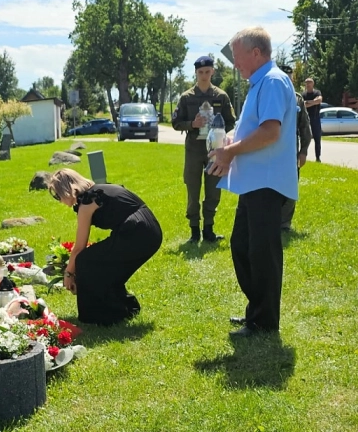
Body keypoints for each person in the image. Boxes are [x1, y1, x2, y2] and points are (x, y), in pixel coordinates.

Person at [207, 27, 298, 336]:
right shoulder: (260, 83)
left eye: (237, 56)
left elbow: (271, 131)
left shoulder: (272, 82)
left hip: (267, 182)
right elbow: (253, 128)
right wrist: (230, 141)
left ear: (256, 53)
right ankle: (257, 312)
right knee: (244, 247)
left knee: (262, 253)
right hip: (255, 182)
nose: (235, 63)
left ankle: (264, 321)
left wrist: (231, 151)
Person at [48, 168, 162, 325]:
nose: (59, 200)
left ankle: (101, 315)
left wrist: (69, 274)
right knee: (107, 268)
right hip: (150, 231)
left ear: (66, 190)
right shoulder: (99, 190)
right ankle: (123, 307)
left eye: (57, 195)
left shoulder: (87, 203)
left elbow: (79, 247)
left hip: (137, 233)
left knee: (85, 261)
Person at [172, 55, 236, 242]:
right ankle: (194, 230)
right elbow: (176, 122)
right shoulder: (186, 98)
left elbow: (232, 122)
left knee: (213, 189)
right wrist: (192, 123)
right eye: (200, 72)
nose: (204, 76)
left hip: (214, 150)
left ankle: (209, 229)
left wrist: (223, 134)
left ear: (213, 72)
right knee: (193, 188)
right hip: (193, 148)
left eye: (207, 72)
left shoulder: (221, 96)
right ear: (196, 73)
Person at [280, 64, 312, 231]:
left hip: (291, 152)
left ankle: (285, 223)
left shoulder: (298, 99)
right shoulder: (271, 96)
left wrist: (303, 151)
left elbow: (305, 128)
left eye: (289, 78)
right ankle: (271, 220)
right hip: (272, 152)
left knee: (291, 187)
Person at [302, 78, 323, 162]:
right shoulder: (303, 95)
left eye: (309, 83)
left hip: (315, 119)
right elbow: (303, 105)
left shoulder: (317, 92)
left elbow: (319, 100)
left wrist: (309, 103)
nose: (308, 85)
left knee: (317, 139)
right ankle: (302, 156)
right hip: (305, 119)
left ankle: (318, 158)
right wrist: (313, 102)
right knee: (304, 138)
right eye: (306, 83)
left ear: (313, 84)